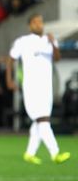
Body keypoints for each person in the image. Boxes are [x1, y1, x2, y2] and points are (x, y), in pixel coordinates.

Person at [6, 14, 71, 165]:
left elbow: (57, 59)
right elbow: (10, 59)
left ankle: (29, 153)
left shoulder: (49, 40)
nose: (39, 25)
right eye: (35, 22)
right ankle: (55, 153)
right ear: (30, 25)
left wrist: (53, 44)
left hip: (46, 87)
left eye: (41, 22)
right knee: (43, 119)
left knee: (40, 121)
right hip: (31, 87)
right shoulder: (23, 42)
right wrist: (9, 80)